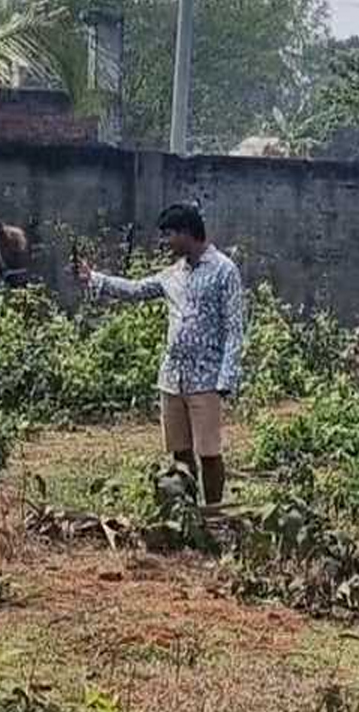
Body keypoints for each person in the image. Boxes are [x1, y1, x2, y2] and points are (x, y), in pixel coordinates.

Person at [76, 203, 246, 505]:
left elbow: (234, 327)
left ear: (187, 233)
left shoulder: (224, 271)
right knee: (180, 451)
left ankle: (215, 513)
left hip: (206, 379)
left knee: (208, 452)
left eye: (169, 235)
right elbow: (135, 289)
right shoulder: (172, 274)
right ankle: (188, 512)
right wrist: (96, 279)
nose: (164, 243)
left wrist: (226, 377)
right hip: (172, 378)